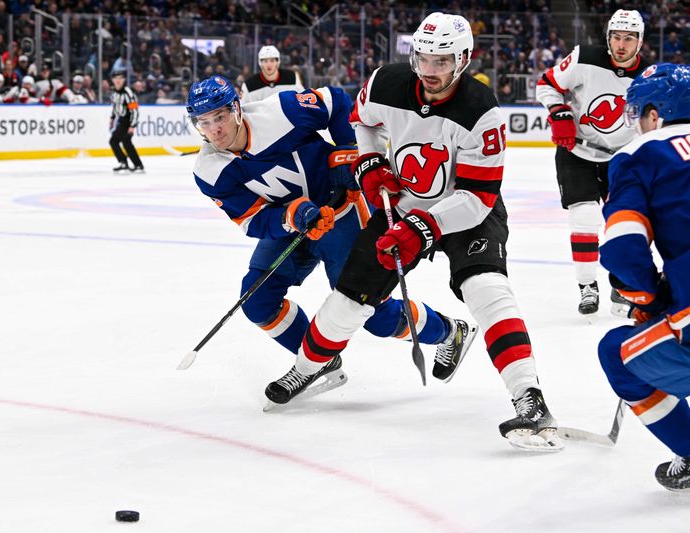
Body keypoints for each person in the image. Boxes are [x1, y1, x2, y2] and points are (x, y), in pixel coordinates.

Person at [265, 12, 562, 452]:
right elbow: (360, 121)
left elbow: (479, 196)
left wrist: (425, 226)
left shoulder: (482, 111)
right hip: (400, 204)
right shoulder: (386, 81)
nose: (430, 70)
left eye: (441, 61)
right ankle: (309, 366)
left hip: (465, 210)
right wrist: (368, 162)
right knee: (349, 298)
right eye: (423, 58)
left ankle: (529, 399)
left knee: (486, 289)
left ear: (463, 59)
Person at [186, 75, 475, 399]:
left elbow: (336, 101)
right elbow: (252, 220)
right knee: (257, 301)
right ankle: (316, 361)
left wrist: (348, 151)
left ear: (237, 109)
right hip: (295, 227)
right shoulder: (208, 170)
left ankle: (449, 332)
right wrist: (289, 217)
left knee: (373, 315)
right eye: (204, 122)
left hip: (344, 215)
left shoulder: (279, 111)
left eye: (220, 117)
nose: (215, 130)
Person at [597, 63, 690, 492]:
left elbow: (623, 244)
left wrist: (646, 297)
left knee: (617, 354)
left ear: (656, 113)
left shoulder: (643, 152)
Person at [535, 9, 651, 316]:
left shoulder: (650, 75)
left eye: (628, 38)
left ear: (639, 42)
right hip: (578, 153)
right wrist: (559, 112)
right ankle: (587, 286)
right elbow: (546, 84)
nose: (621, 45)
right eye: (616, 37)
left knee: (626, 223)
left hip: (623, 159)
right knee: (584, 218)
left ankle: (622, 285)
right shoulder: (583, 58)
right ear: (608, 37)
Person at [240, 45, 305, 104]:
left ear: (278, 62)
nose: (269, 64)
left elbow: (303, 100)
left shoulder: (292, 78)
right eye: (265, 61)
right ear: (260, 63)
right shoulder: (249, 85)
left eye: (272, 60)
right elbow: (243, 109)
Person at [109, 70, 144, 172]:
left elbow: (135, 110)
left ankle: (126, 163)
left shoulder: (128, 92)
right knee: (122, 142)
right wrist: (112, 118)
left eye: (120, 78)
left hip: (128, 121)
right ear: (113, 80)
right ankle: (136, 165)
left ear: (124, 80)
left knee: (118, 141)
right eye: (116, 78)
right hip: (121, 120)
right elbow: (115, 106)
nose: (118, 80)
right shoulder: (114, 93)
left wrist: (132, 125)